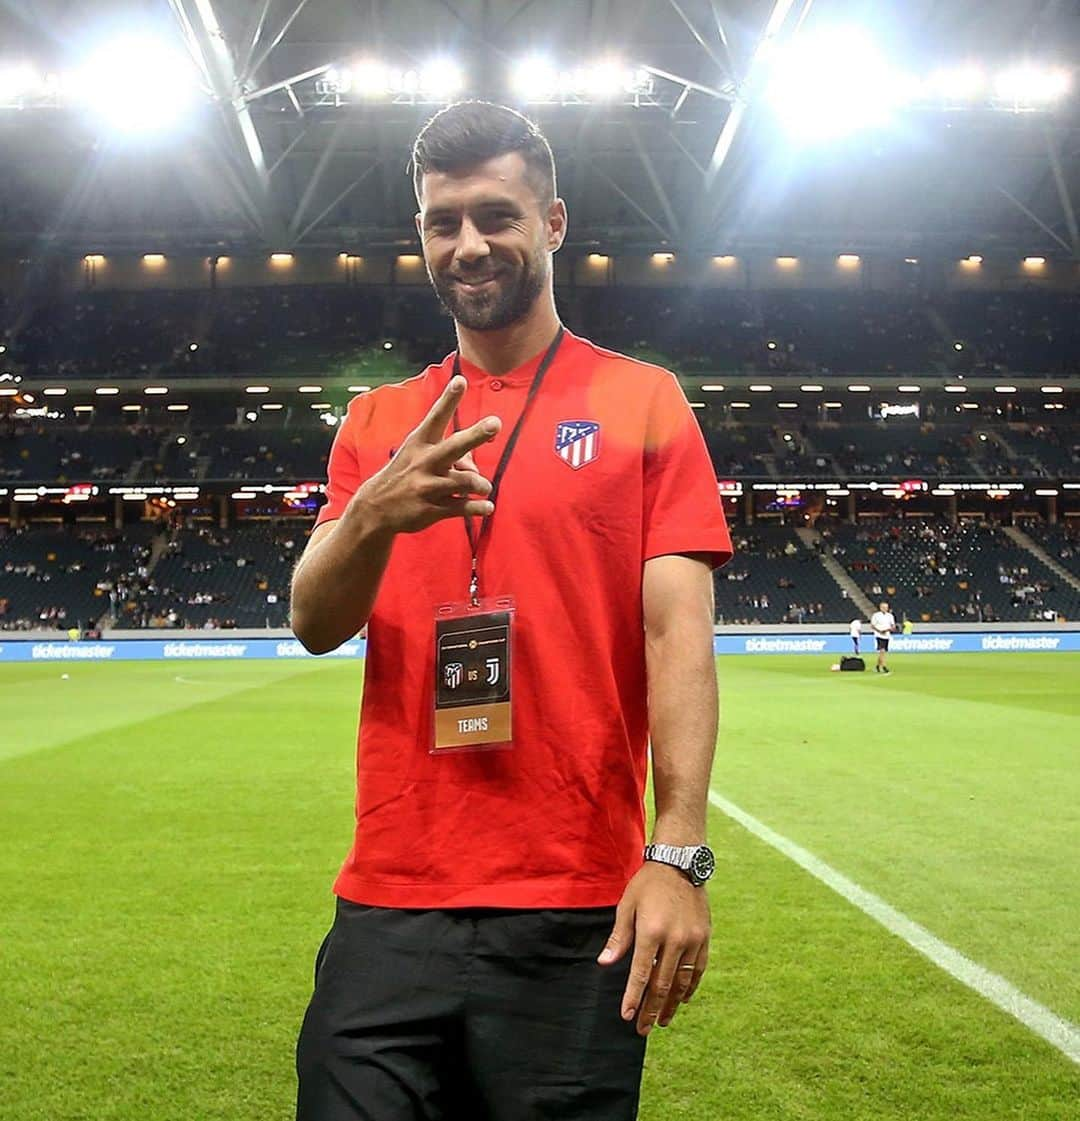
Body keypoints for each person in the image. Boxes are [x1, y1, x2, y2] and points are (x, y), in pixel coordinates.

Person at [289, 101, 733, 1121]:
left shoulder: (644, 401)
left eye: (497, 215)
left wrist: (678, 851)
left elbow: (677, 634)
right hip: (392, 898)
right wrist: (373, 515)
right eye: (444, 221)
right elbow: (314, 619)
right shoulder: (377, 422)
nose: (470, 242)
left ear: (554, 222)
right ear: (421, 238)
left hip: (575, 905)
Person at [870, 600, 896, 674]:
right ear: (880, 607)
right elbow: (872, 625)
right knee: (882, 651)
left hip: (887, 635)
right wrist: (879, 631)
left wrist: (888, 629)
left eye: (886, 607)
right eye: (883, 607)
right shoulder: (876, 615)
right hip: (879, 635)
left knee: (882, 652)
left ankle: (877, 666)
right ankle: (884, 667)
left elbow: (893, 626)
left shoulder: (890, 616)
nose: (885, 608)